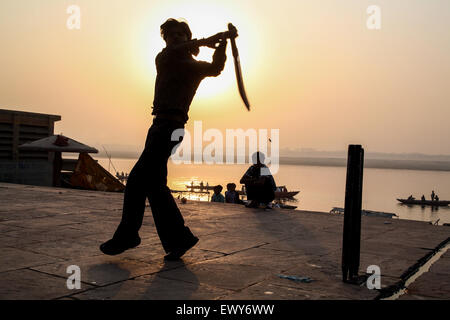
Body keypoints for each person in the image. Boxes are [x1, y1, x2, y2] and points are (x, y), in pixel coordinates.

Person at [100, 18, 228, 260]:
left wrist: (221, 45)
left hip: (170, 127)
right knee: (154, 186)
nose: (176, 38)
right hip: (159, 125)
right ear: (166, 40)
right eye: (171, 35)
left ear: (187, 37)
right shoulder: (165, 58)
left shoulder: (192, 67)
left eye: (181, 34)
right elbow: (175, 50)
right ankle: (179, 240)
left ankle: (129, 235)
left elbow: (215, 68)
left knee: (138, 180)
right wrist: (207, 40)